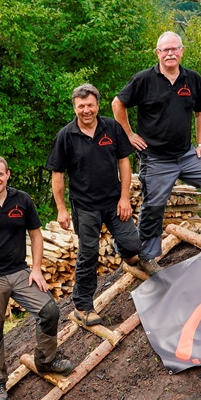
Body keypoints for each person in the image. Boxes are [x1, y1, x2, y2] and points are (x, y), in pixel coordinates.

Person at [112, 31, 201, 275]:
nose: (169, 53)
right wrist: (129, 134)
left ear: (181, 51)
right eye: (164, 50)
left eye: (174, 49)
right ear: (157, 53)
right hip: (155, 158)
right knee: (154, 204)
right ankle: (147, 257)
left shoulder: (192, 79)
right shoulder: (144, 79)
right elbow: (117, 103)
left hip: (186, 154)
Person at [0, 156, 74, 400]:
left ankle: (45, 360)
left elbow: (35, 234)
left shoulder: (22, 200)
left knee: (49, 310)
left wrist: (36, 269)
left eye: (0, 174)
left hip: (20, 272)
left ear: (8, 174)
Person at [49, 83, 142, 326]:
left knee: (132, 244)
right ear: (75, 107)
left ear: (98, 105)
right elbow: (57, 174)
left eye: (90, 105)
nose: (86, 110)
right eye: (81, 106)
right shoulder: (66, 136)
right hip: (85, 206)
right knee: (88, 255)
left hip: (113, 202)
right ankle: (83, 306)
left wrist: (125, 197)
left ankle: (129, 257)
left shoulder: (111, 127)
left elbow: (124, 162)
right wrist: (61, 208)